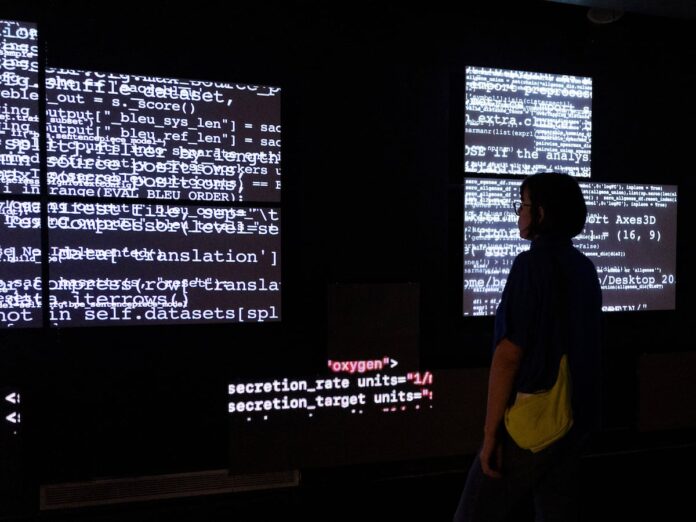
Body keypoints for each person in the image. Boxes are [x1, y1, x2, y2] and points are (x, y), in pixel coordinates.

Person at [453, 172, 602, 522]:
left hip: (533, 425)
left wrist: (491, 435)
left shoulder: (529, 266)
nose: (519, 212)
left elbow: (508, 356)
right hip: (575, 421)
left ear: (541, 213)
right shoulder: (585, 268)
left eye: (523, 205)